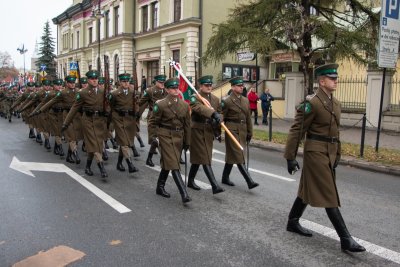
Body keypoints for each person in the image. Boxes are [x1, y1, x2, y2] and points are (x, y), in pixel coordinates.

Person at [284, 63, 365, 253]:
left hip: (329, 152)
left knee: (306, 190)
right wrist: (290, 157)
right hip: (315, 153)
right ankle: (345, 238)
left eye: (336, 78)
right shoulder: (311, 103)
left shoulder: (335, 103)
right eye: (332, 78)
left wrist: (338, 153)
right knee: (329, 193)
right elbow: (297, 130)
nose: (336, 81)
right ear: (322, 81)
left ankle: (292, 221)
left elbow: (335, 132)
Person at [62, 70, 109, 181]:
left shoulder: (103, 91)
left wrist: (108, 111)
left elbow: (109, 105)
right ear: (88, 80)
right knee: (95, 144)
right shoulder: (82, 93)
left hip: (99, 121)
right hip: (88, 121)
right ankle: (101, 167)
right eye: (92, 79)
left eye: (96, 78)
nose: (94, 80)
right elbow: (74, 108)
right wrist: (66, 123)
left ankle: (88, 166)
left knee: (96, 144)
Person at [153, 78, 191, 203]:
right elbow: (153, 122)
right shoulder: (161, 104)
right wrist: (153, 138)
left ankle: (160, 186)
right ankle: (184, 193)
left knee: (169, 163)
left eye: (177, 88)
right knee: (174, 164)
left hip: (178, 137)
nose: (176, 90)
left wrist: (187, 141)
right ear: (167, 90)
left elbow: (187, 125)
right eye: (173, 88)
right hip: (165, 135)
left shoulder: (184, 105)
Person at [187, 75, 224, 194]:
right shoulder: (195, 97)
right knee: (205, 156)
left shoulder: (215, 99)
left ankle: (190, 180)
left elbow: (220, 114)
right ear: (201, 86)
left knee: (200, 157)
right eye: (206, 85)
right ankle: (215, 185)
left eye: (210, 85)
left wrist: (218, 129)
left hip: (208, 130)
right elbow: (198, 108)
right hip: (197, 130)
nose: (209, 87)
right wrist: (213, 113)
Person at [221, 76, 259, 189]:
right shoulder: (226, 101)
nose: (241, 87)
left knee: (233, 155)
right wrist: (218, 131)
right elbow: (222, 117)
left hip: (242, 129)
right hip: (231, 129)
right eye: (238, 85)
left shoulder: (245, 100)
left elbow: (248, 117)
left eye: (242, 85)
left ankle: (225, 177)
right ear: (232, 87)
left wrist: (250, 132)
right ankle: (249, 181)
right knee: (238, 154)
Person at [108, 73, 139, 173]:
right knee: (124, 142)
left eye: (127, 81)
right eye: (124, 81)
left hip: (130, 119)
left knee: (125, 142)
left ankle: (119, 163)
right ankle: (130, 164)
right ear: (120, 82)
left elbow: (137, 104)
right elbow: (111, 106)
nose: (126, 83)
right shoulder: (114, 94)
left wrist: (137, 113)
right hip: (119, 119)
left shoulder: (133, 92)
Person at [137, 74, 167, 167]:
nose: (162, 84)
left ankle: (149, 159)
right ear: (156, 82)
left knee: (160, 139)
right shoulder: (150, 91)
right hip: (153, 117)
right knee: (155, 139)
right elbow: (140, 102)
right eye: (160, 82)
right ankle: (164, 160)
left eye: (163, 82)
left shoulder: (166, 91)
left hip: (164, 118)